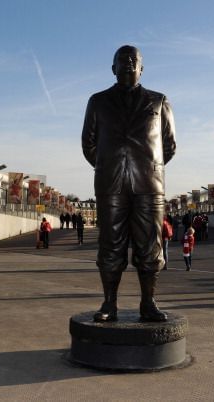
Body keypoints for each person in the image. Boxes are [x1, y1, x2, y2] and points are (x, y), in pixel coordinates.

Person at [82, 45, 176, 322]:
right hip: (110, 185)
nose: (128, 63)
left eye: (133, 60)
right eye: (122, 60)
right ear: (113, 68)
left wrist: (148, 166)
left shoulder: (159, 101)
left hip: (149, 185)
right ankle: (109, 303)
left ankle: (148, 302)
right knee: (110, 244)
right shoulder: (98, 101)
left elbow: (169, 145)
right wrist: (108, 165)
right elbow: (89, 143)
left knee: (150, 246)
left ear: (142, 68)